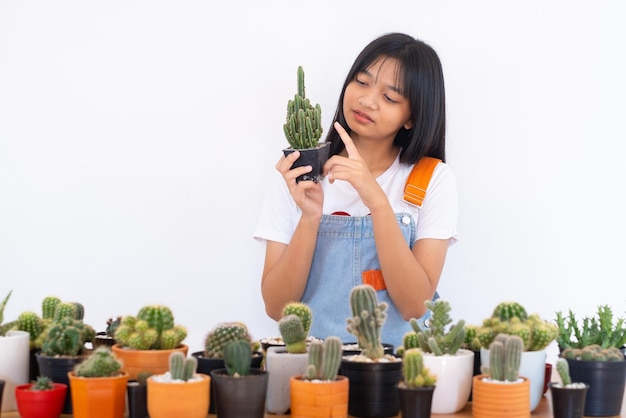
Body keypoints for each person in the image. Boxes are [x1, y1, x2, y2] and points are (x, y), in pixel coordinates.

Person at [254, 32, 459, 349]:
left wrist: (376, 200)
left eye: (390, 98)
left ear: (412, 118)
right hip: (314, 375)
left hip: (397, 378)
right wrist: (310, 218)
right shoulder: (298, 173)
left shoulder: (431, 178)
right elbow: (277, 308)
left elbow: (415, 307)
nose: (367, 100)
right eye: (361, 82)